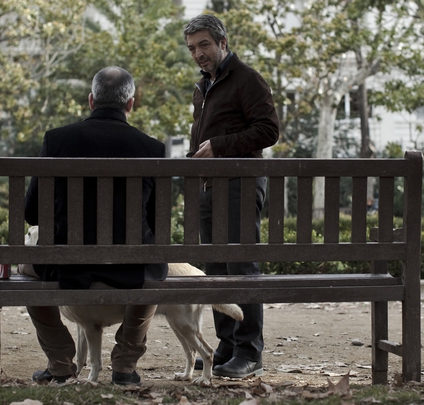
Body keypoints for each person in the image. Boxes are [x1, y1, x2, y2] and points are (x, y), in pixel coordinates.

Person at [22, 66, 167, 386]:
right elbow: (159, 226)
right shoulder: (152, 148)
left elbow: (32, 212)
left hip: (65, 264)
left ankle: (60, 362)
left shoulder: (56, 140)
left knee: (25, 270)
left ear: (91, 100)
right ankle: (125, 364)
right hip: (131, 267)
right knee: (156, 266)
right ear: (130, 104)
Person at [183, 14, 279, 379]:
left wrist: (219, 146)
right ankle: (226, 345)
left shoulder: (247, 79)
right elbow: (202, 140)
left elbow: (268, 130)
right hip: (209, 186)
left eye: (204, 45)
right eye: (192, 48)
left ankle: (249, 351)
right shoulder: (204, 86)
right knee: (216, 270)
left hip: (240, 184)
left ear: (223, 43)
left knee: (241, 267)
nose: (198, 54)